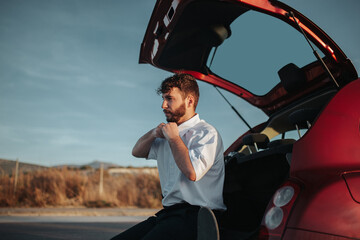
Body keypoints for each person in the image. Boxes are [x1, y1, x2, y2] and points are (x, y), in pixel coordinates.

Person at [110, 73, 226, 240]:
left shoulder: (206, 133)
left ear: (189, 101)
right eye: (163, 98)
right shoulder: (167, 134)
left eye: (169, 98)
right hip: (168, 215)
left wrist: (174, 138)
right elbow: (137, 151)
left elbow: (192, 172)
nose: (163, 105)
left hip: (197, 218)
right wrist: (153, 133)